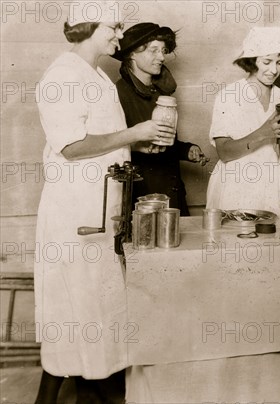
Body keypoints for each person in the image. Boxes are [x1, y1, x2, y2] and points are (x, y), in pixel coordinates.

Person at [33, 3, 175, 403]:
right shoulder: (61, 76)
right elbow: (72, 147)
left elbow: (104, 139)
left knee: (90, 310)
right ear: (89, 26)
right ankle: (87, 393)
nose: (118, 35)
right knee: (76, 308)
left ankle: (83, 392)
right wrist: (134, 133)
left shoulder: (94, 74)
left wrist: (137, 141)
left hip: (101, 209)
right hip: (74, 213)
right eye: (114, 27)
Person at [205, 26, 280, 214]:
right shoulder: (229, 96)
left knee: (277, 240)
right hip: (236, 185)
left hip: (277, 184)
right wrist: (264, 133)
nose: (274, 70)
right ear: (252, 61)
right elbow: (224, 153)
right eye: (266, 61)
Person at [113, 22, 208, 216]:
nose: (162, 57)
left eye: (163, 51)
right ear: (132, 53)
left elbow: (163, 140)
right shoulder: (117, 93)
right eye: (153, 50)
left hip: (172, 193)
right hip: (142, 199)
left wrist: (185, 149)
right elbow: (107, 143)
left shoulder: (160, 93)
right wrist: (137, 145)